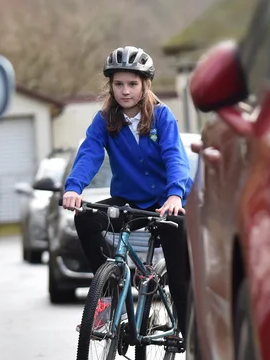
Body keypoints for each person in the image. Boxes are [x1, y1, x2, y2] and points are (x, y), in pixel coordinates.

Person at [61, 45, 193, 341]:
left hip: (166, 203)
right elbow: (89, 155)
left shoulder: (162, 117)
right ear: (111, 86)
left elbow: (175, 157)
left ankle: (185, 330)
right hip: (128, 201)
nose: (125, 91)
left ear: (145, 85)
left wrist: (175, 195)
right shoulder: (104, 121)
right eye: (118, 84)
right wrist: (74, 188)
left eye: (133, 84)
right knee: (86, 219)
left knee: (178, 262)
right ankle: (109, 292)